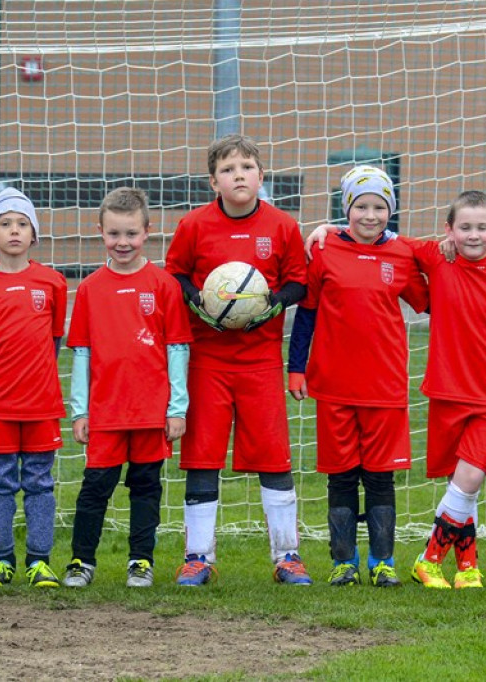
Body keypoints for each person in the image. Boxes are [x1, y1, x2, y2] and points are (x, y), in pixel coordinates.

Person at [305, 189, 486, 589]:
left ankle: (427, 559)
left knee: (468, 479)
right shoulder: (434, 255)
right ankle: (467, 567)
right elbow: (374, 234)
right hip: (447, 387)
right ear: (449, 230)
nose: (473, 235)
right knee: (462, 481)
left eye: (482, 227)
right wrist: (331, 229)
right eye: (464, 227)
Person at [165, 134, 312, 586]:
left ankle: (287, 556)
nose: (239, 176)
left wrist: (273, 304)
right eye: (228, 170)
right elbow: (175, 276)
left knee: (273, 456)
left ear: (261, 176)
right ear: (214, 182)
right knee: (202, 456)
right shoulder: (194, 225)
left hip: (261, 360)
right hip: (207, 360)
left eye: (247, 167)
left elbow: (298, 283)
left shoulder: (282, 226)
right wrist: (197, 302)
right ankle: (198, 557)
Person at [288, 166, 428, 587]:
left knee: (381, 476)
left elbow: (429, 300)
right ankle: (344, 562)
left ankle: (382, 563)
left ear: (391, 210)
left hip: (385, 386)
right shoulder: (324, 249)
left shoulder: (401, 254)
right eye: (361, 206)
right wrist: (296, 368)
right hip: (334, 385)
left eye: (379, 207)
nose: (370, 215)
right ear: (346, 208)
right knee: (342, 475)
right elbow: (307, 314)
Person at [63, 187, 192, 588]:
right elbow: (82, 354)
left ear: (147, 232)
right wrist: (80, 410)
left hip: (151, 412)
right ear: (100, 232)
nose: (123, 242)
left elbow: (177, 349)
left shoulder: (163, 284)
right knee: (95, 488)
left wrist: (177, 408)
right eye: (114, 233)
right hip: (106, 413)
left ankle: (140, 561)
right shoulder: (90, 288)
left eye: (131, 233)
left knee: (146, 487)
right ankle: (81, 561)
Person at [0, 188, 67, 588]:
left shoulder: (52, 282)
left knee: (40, 482)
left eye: (22, 223)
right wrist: (4, 374)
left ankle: (39, 561)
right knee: (0, 482)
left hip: (42, 405)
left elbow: (54, 339)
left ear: (34, 233)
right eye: (5, 224)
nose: (14, 231)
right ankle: (1, 560)